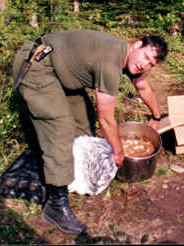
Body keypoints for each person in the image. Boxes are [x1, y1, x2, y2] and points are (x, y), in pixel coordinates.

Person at [12, 29, 168, 235]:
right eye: (146, 57)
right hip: (36, 65)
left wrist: (156, 117)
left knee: (84, 121)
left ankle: (72, 175)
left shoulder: (128, 57)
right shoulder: (111, 61)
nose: (144, 65)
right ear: (137, 45)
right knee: (61, 127)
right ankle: (55, 206)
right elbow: (106, 118)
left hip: (58, 72)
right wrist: (118, 151)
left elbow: (143, 87)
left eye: (151, 64)